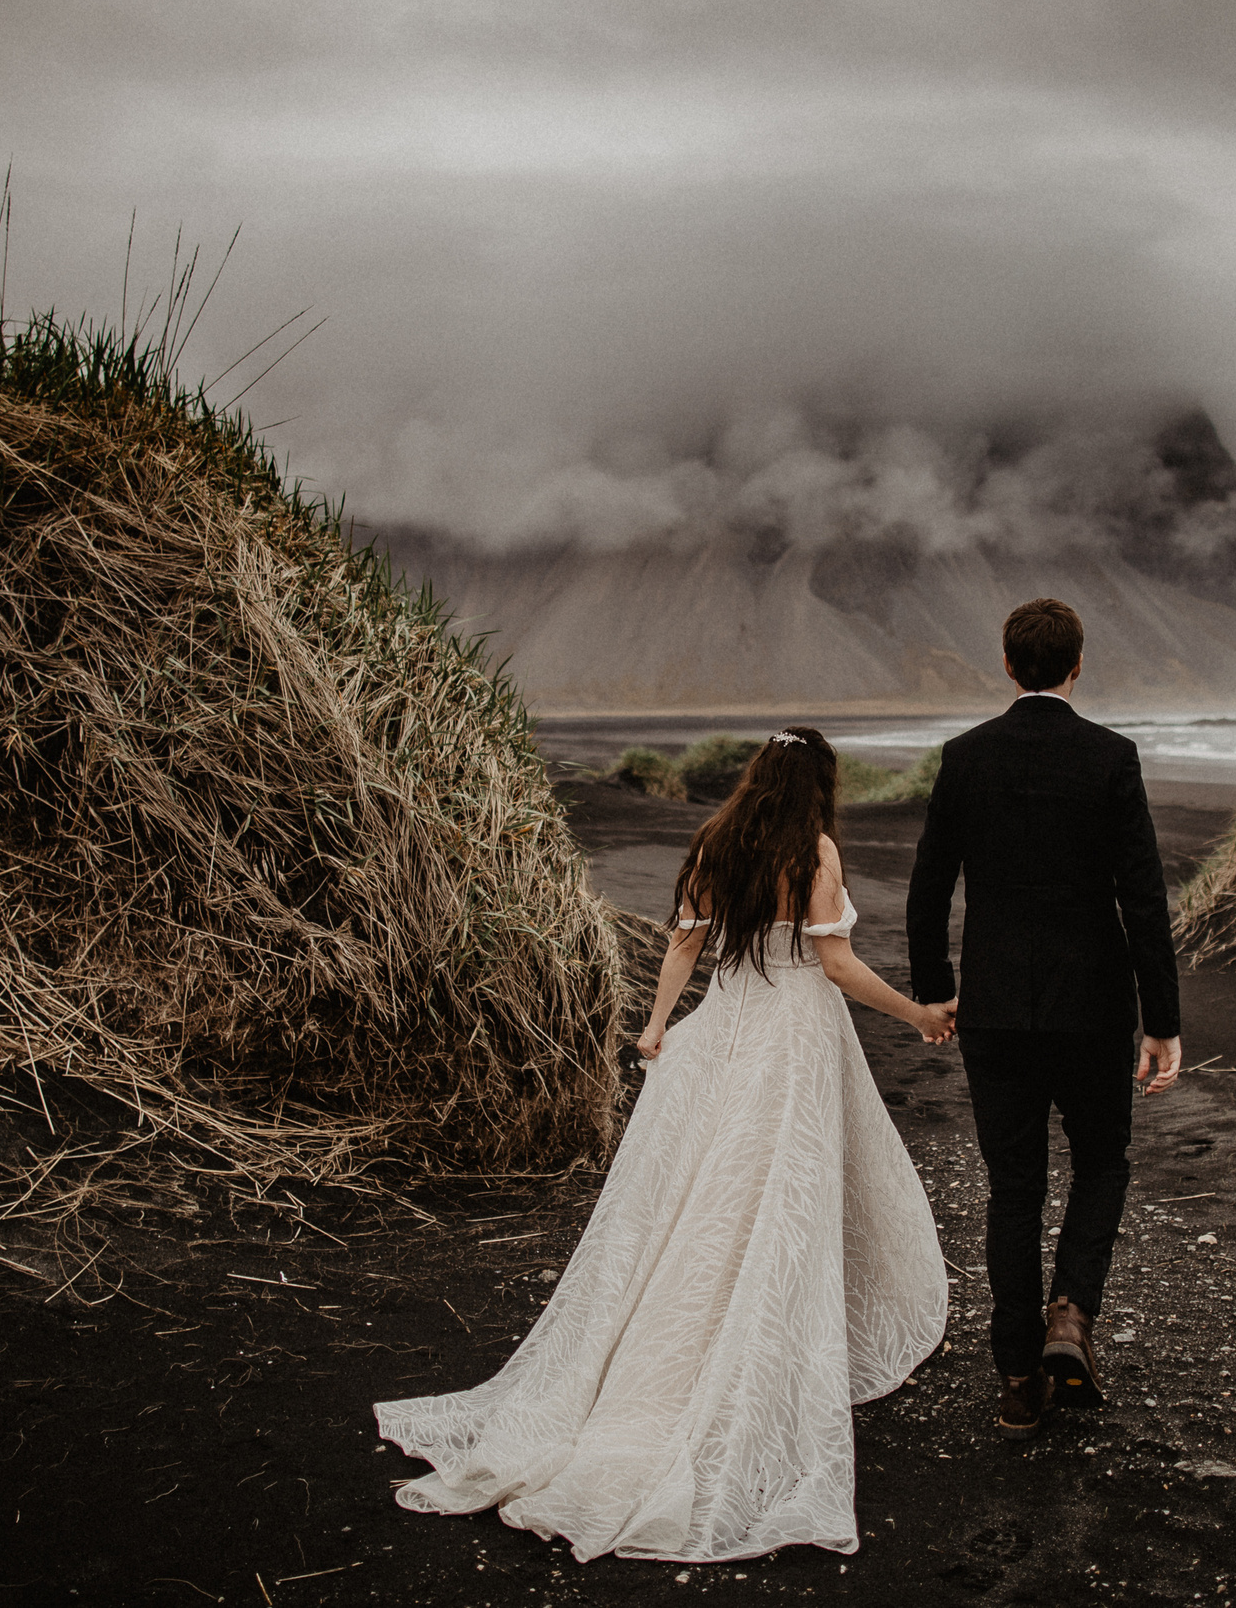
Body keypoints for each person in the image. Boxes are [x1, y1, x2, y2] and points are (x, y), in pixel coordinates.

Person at [374, 726, 957, 1564]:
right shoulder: (814, 852)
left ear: (758, 774)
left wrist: (655, 1027)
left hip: (726, 1025)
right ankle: (758, 1352)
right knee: (779, 1190)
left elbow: (686, 944)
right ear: (818, 785)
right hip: (794, 1038)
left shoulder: (718, 841)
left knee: (714, 1184)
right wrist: (917, 1013)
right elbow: (834, 964)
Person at [906, 597, 1181, 1439]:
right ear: (1076, 664)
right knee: (1102, 1161)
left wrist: (935, 989)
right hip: (1093, 1007)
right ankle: (1071, 1313)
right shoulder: (1111, 757)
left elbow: (928, 887)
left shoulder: (966, 757)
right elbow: (1143, 898)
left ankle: (1020, 1379)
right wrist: (1161, 1020)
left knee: (1015, 1186)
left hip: (995, 1009)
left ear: (1006, 665)